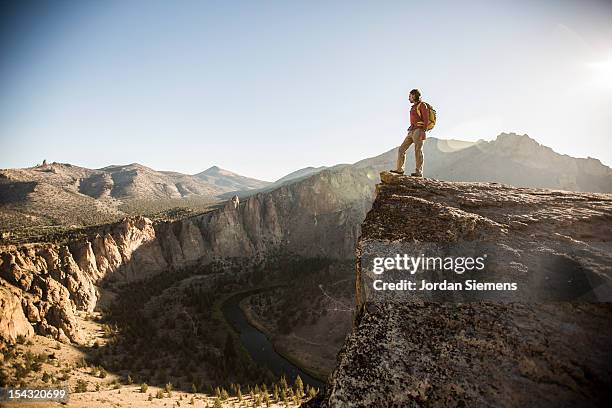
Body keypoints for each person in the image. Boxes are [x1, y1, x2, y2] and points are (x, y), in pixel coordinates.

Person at [391, 89, 429, 177]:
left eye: (410, 96)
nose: (409, 99)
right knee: (401, 149)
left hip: (419, 131)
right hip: (411, 131)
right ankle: (400, 169)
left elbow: (426, 119)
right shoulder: (413, 107)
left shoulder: (422, 105)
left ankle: (418, 172)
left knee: (418, 150)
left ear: (414, 96)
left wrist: (423, 131)